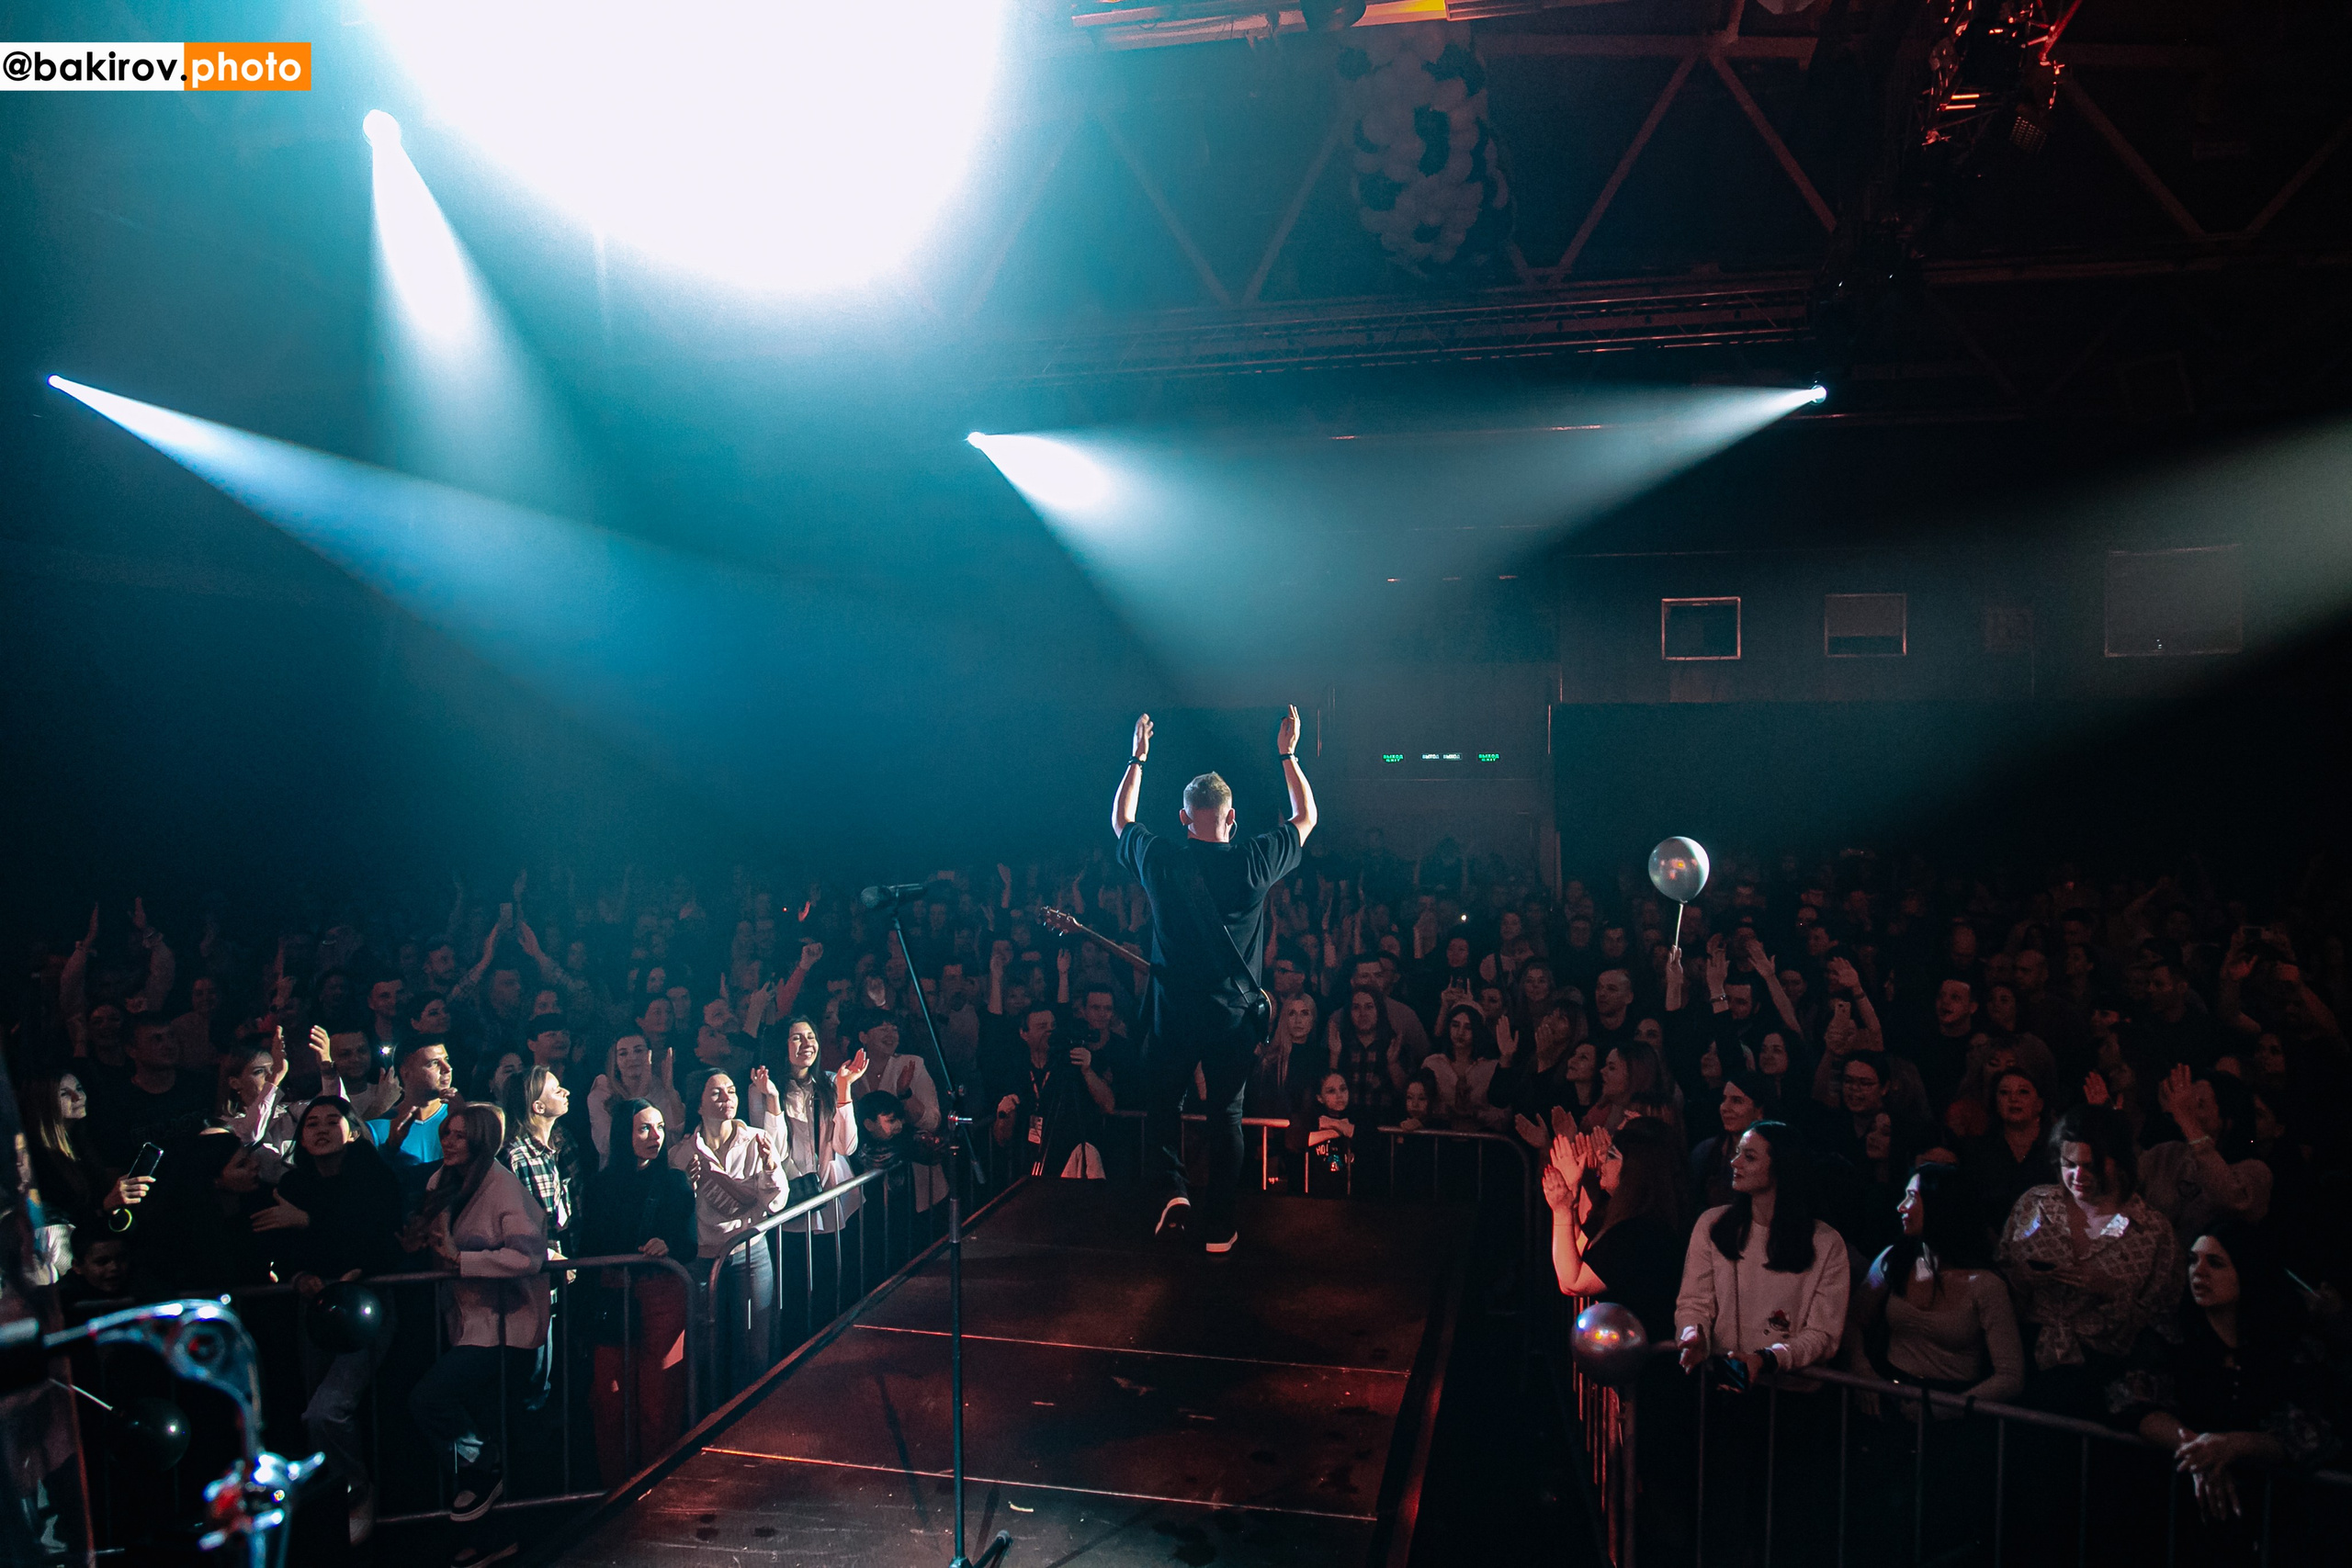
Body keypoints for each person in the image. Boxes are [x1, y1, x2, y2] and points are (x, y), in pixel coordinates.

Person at [1114, 705, 1315, 1254]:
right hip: (1231, 1021)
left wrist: (1137, 759)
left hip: (1173, 1013)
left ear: (1184, 818)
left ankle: (1173, 1192)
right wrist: (1288, 754)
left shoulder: (1160, 860)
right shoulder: (1254, 860)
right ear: (1232, 818)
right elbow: (1306, 817)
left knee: (1163, 1106)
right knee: (1226, 1115)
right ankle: (1221, 1224)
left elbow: (1121, 821)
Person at [2112, 1224, 2339, 1525]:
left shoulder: (2290, 1346)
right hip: (2176, 1499)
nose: (2199, 1272)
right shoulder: (2170, 1331)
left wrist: (2234, 1445)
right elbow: (2135, 1400)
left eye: (2215, 1263)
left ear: (2247, 1271)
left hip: (2269, 1507)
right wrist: (2199, 1452)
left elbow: (2310, 1430)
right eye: (2193, 1260)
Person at [255, 1097, 404, 1543]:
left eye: (332, 1121)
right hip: (317, 1312)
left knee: (326, 1412)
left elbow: (379, 1236)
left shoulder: (375, 1178)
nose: (320, 1129)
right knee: (312, 1414)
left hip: (368, 1306)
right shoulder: (297, 1185)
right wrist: (298, 1274)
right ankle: (335, 1508)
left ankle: (358, 1492)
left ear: (354, 1130)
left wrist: (309, 1221)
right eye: (310, 1124)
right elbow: (285, 1250)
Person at [403, 1101, 551, 1530]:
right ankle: (493, 1536)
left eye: (459, 1135)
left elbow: (528, 1256)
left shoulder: (503, 1187)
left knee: (430, 1398)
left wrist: (462, 1260)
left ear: (481, 1140)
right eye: (446, 1133)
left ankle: (483, 1464)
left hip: (507, 1325)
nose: (448, 1142)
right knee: (488, 1426)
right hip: (467, 1323)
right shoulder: (441, 1180)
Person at [1998, 1106, 2178, 1414]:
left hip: (2106, 1375)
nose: (2078, 1176)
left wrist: (2112, 1292)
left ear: (2118, 1162)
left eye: (2090, 1166)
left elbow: (2162, 1319)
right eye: (2069, 1164)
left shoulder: (2150, 1229)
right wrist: (2022, 1280)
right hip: (2026, 1359)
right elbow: (2000, 1280)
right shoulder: (2036, 1204)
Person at [574, 1098, 697, 1489]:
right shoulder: (599, 1186)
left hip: (662, 1296)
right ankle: (616, 1493)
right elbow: (590, 1247)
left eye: (660, 1127)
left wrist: (667, 1244)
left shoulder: (675, 1182)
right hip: (614, 1295)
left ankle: (657, 1488)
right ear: (623, 1133)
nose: (655, 1136)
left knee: (659, 1401)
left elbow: (689, 1244)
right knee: (610, 1401)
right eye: (644, 1128)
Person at [1674, 1122, 1849, 1379]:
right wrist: (1692, 1334)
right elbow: (1694, 1301)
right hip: (1722, 1379)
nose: (1735, 1163)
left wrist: (1767, 1359)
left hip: (1791, 1391)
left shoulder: (1826, 1243)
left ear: (1781, 1166)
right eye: (1737, 1153)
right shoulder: (1713, 1224)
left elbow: (1823, 1334)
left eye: (1750, 1157)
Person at [1849, 1163, 2025, 1411]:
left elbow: (2010, 1376)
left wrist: (1946, 1408)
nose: (1901, 1207)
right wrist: (1863, 1373)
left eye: (1913, 1197)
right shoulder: (1896, 1259)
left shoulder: (1986, 1285)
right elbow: (1854, 1320)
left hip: (1950, 1404)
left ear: (1940, 1206)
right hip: (1890, 1396)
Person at [670, 1069, 786, 1394]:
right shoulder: (682, 1154)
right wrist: (687, 1190)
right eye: (717, 1093)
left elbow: (776, 1203)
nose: (727, 1099)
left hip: (750, 1254)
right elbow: (677, 1216)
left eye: (731, 1091)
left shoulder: (756, 1139)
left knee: (754, 1344)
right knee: (705, 1346)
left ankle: (752, 1415)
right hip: (703, 1259)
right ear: (699, 1103)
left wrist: (771, 1168)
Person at [1541, 1119, 1686, 1340]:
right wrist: (1571, 1191)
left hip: (1643, 1353)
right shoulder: (1623, 1217)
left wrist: (1561, 1211)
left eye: (1610, 1157)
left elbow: (1572, 1282)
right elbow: (1580, 1250)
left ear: (1634, 1171)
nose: (1602, 1163)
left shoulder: (1640, 1231)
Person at [21, 1073, 149, 1236]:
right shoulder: (38, 1159)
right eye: (64, 1093)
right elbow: (58, 1222)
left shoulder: (85, 1144)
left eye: (79, 1089)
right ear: (43, 1102)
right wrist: (105, 1206)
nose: (77, 1097)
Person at [1958, 1068, 2056, 1235]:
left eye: (2023, 1092)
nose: (2013, 1099)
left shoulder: (2057, 1151)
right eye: (2004, 1093)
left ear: (2039, 1104)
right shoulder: (1978, 1151)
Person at [586, 1033, 684, 1165]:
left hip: (658, 1170)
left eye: (638, 1051)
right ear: (614, 1061)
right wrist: (641, 1096)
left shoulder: (659, 1088)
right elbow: (606, 1145)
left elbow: (675, 1139)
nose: (632, 1058)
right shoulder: (600, 1094)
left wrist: (670, 1090)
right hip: (617, 1172)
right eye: (623, 1054)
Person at [1690, 1071, 1769, 1213]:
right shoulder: (1705, 1152)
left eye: (1737, 1101)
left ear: (1759, 1111)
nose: (1725, 1108)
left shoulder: (1775, 1155)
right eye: (1724, 1099)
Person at [1424, 1004, 1509, 1132]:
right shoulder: (1433, 1064)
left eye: (1468, 1027)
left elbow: (1504, 1115)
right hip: (1440, 1139)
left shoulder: (1491, 1067)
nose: (1460, 1033)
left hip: (1482, 1141)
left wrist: (1476, 1115)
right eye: (1455, 1025)